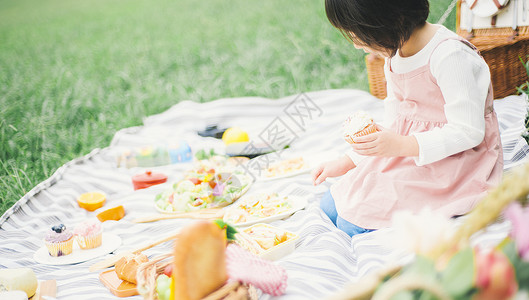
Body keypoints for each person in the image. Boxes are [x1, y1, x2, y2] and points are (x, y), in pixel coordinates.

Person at [311, 0, 503, 237]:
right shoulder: (395, 55)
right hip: (411, 152)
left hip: (454, 161)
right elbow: (394, 122)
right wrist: (348, 161)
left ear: (391, 20)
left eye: (359, 35)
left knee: (351, 224)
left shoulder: (450, 56)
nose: (356, 45)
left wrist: (402, 145)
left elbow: (468, 131)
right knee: (330, 206)